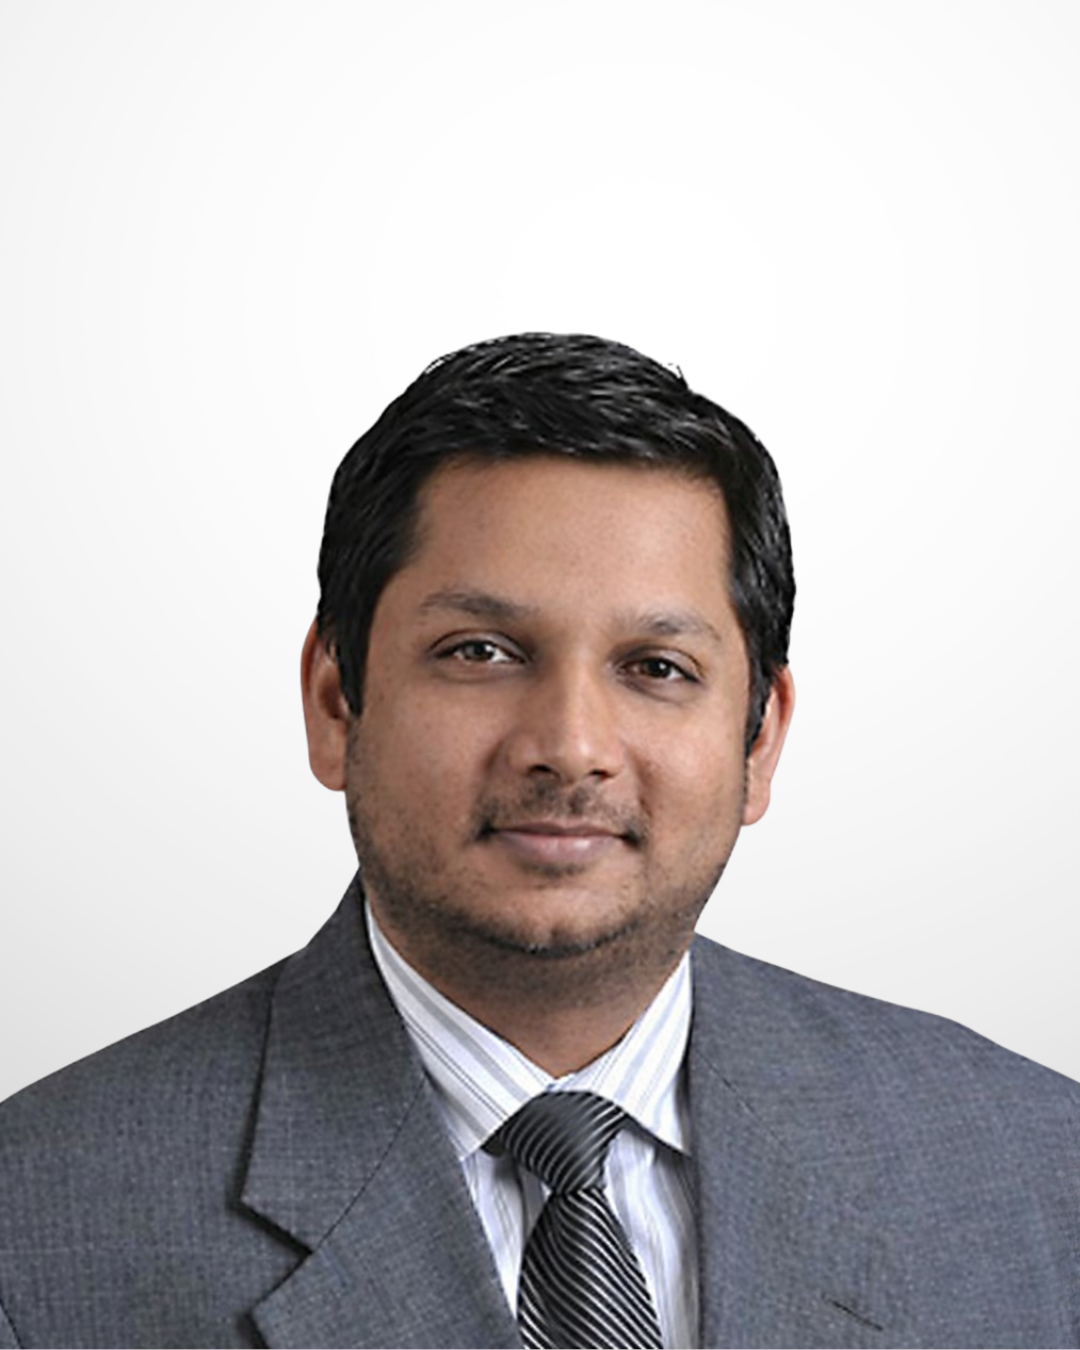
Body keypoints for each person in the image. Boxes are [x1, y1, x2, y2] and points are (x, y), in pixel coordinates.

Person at [0, 333, 1077, 1350]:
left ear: (760, 741)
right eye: (480, 651)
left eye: (656, 667)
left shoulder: (1032, 1170)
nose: (569, 748)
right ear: (336, 703)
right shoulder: (36, 1223)